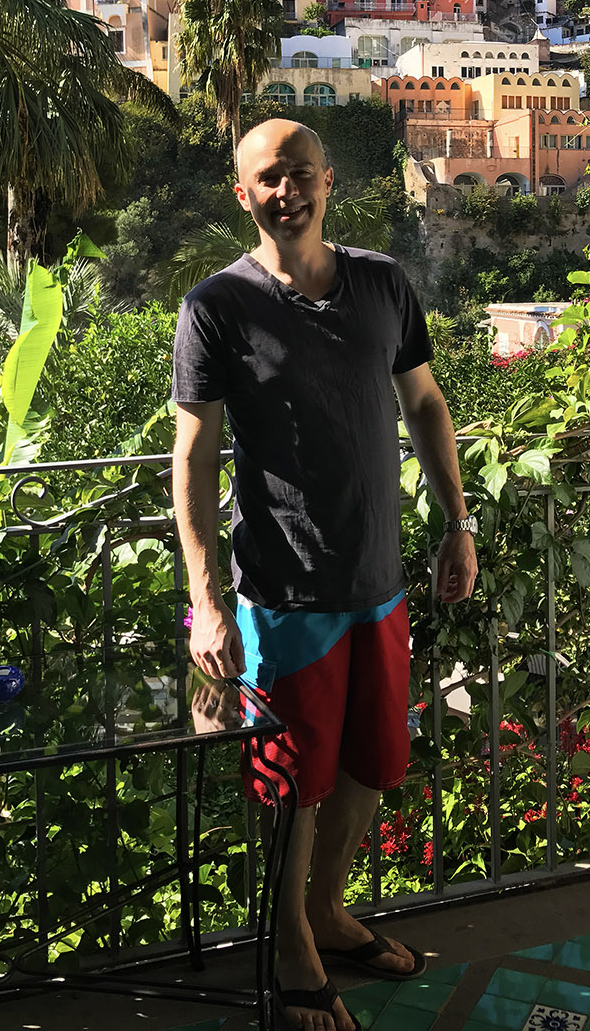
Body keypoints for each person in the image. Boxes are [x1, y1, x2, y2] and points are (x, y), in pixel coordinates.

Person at [171, 118, 478, 1031]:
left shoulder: (383, 282)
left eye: (300, 173)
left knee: (367, 770)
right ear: (244, 192)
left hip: (379, 581)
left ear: (329, 180)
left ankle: (326, 912)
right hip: (284, 594)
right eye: (268, 178)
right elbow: (193, 459)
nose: (286, 190)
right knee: (288, 781)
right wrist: (206, 603)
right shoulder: (216, 306)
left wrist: (456, 525)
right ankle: (289, 947)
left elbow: (425, 402)